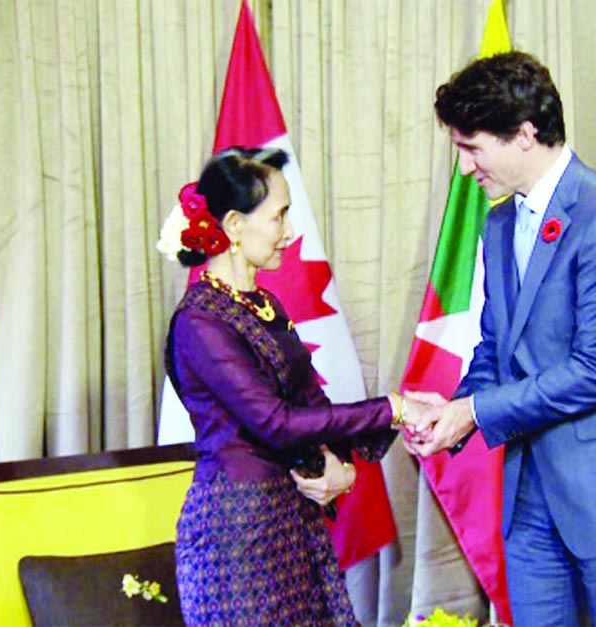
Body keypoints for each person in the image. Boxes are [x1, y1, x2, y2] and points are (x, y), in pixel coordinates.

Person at [405, 52, 596, 627]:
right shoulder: (500, 222)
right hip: (529, 498)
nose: (465, 170)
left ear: (525, 135)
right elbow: (495, 345)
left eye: (472, 148)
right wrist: (455, 409)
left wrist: (474, 411)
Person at [160, 146, 423, 627]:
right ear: (235, 226)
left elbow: (309, 404)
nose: (290, 232)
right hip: (236, 539)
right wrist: (392, 409)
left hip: (290, 524)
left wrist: (339, 463)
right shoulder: (200, 321)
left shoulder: (263, 304)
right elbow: (275, 423)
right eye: (279, 217)